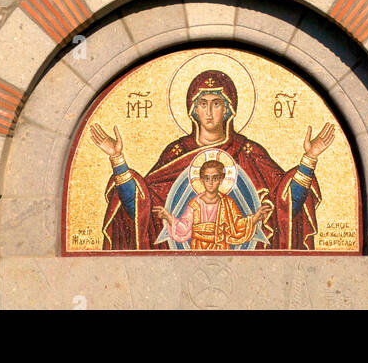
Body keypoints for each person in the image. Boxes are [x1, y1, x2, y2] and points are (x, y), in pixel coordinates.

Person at [90, 67, 334, 251]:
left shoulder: (249, 152)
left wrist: (309, 159)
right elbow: (141, 211)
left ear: (228, 109)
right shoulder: (176, 153)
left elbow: (287, 205)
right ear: (192, 109)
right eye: (202, 104)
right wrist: (117, 158)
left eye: (216, 104)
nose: (209, 112)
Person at [154, 159, 272, 251]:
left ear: (221, 179)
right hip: (198, 248)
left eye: (215, 178)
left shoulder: (228, 203)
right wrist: (168, 217)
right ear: (201, 180)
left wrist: (256, 217)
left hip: (221, 249)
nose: (210, 183)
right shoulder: (194, 204)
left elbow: (237, 226)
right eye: (207, 178)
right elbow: (184, 228)